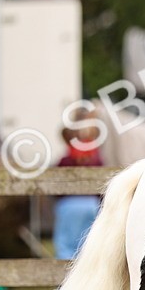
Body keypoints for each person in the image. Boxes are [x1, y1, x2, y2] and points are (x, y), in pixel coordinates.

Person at [53, 103, 105, 260]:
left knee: (66, 246)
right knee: (90, 245)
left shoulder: (66, 159)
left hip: (69, 203)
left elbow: (56, 184)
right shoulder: (96, 158)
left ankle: (63, 271)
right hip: (91, 203)